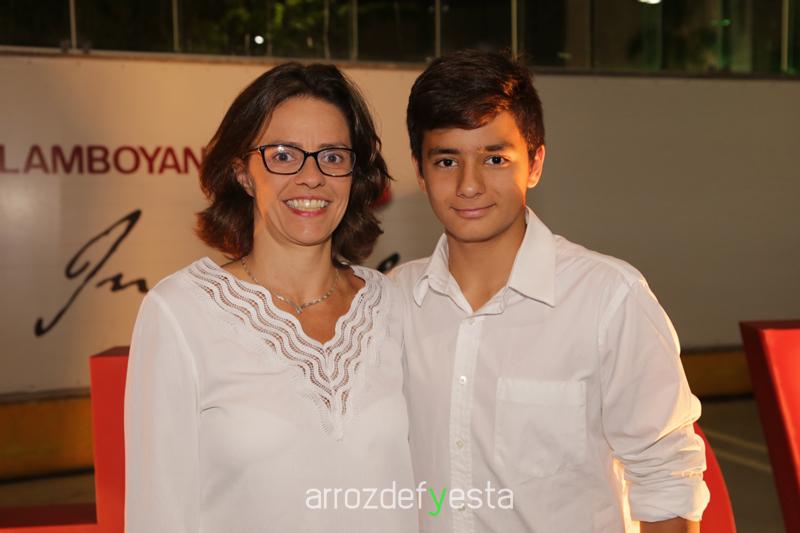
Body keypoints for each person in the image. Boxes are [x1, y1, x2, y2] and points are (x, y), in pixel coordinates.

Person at [391, 50, 709, 532]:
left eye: (495, 159)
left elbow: (667, 478)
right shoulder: (395, 301)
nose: (469, 185)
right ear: (420, 170)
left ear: (535, 163)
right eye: (447, 160)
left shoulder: (608, 299)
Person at [124, 63, 417, 533]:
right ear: (243, 173)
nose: (311, 177)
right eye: (283, 155)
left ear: (353, 173)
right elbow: (157, 510)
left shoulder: (393, 305)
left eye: (333, 156)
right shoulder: (180, 312)